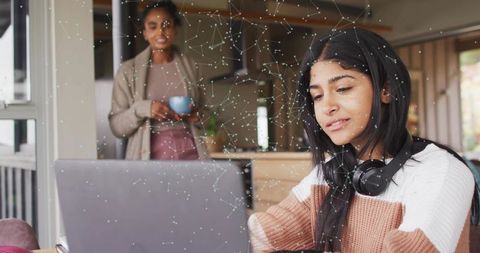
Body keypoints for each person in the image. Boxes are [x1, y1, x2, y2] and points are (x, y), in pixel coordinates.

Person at [248, 28, 479, 252]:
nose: (327, 106)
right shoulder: (329, 176)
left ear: (386, 89)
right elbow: (257, 236)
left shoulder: (443, 172)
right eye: (317, 96)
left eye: (343, 88)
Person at [109, 0, 208, 160]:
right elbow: (117, 127)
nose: (160, 32)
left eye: (166, 25)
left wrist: (197, 116)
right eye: (153, 27)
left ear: (175, 30)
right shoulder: (128, 71)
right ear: (145, 33)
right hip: (149, 163)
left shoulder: (192, 67)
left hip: (192, 159)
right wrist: (144, 109)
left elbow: (207, 116)